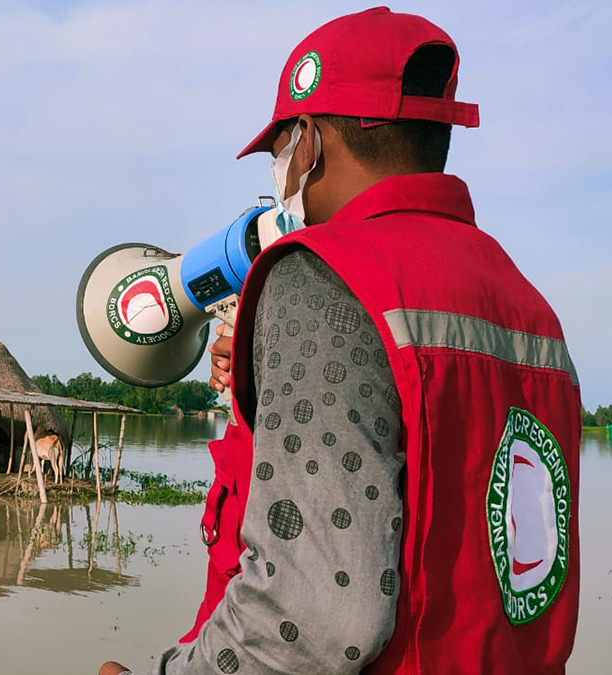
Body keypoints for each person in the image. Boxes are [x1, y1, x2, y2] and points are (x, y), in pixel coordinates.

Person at [100, 7, 581, 675]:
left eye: (280, 149)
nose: (280, 172)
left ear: (310, 143)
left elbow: (311, 619)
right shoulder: (529, 306)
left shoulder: (325, 276)